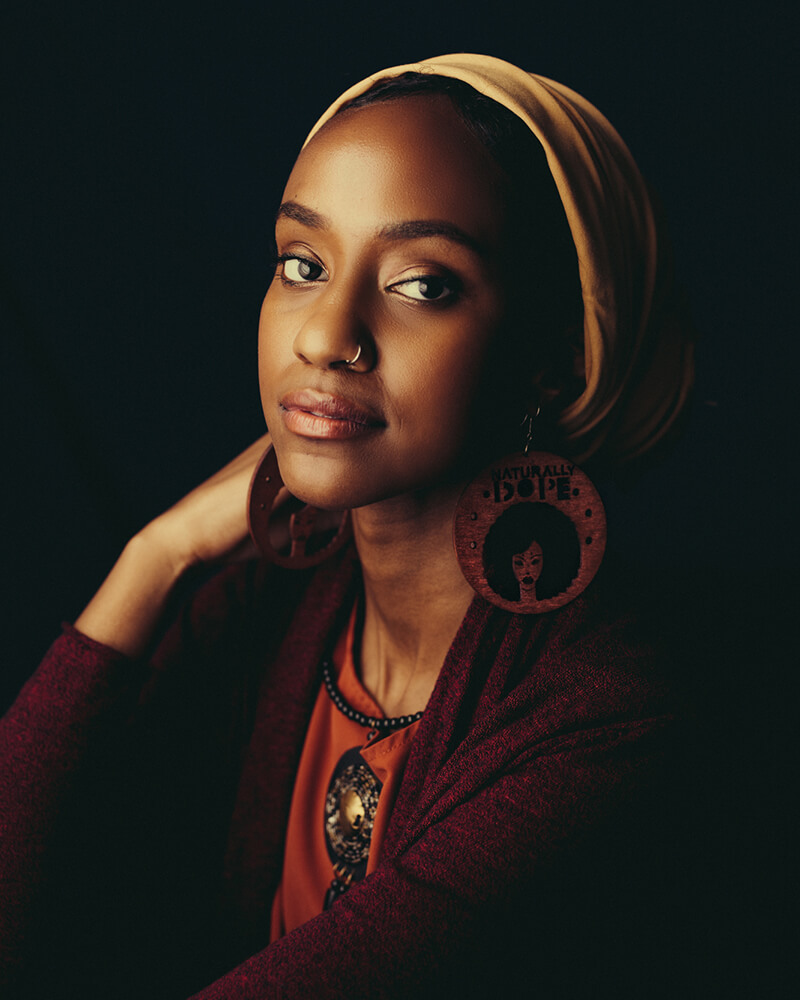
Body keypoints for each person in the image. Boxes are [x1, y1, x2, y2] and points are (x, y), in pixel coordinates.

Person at [0, 55, 694, 998]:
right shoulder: (265, 613)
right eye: (302, 264)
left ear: (554, 363)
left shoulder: (604, 715)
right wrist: (151, 559)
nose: (324, 336)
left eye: (423, 284)